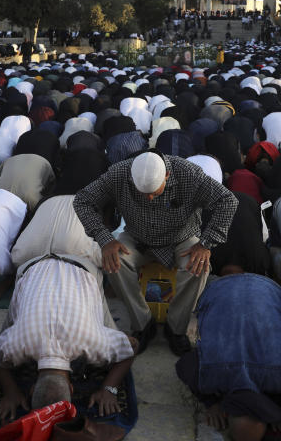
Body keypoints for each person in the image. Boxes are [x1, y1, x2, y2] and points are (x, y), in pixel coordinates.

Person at [73, 152, 238, 355]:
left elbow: (228, 201)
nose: (149, 198)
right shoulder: (118, 173)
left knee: (198, 266)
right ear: (131, 179)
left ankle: (176, 328)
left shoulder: (189, 173)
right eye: (142, 193)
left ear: (167, 175)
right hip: (137, 238)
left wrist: (205, 243)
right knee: (113, 261)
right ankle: (142, 323)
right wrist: (105, 239)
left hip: (181, 238)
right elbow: (82, 200)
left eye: (154, 192)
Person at [0, 254, 137, 423]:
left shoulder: (94, 344)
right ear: (71, 389)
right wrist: (108, 388)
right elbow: (132, 346)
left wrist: (109, 389)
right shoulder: (15, 345)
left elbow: (133, 347)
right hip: (38, 264)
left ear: (31, 391)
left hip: (79, 265)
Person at [175, 273, 281, 441]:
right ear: (224, 413)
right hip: (219, 289)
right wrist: (210, 402)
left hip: (268, 288)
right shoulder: (208, 377)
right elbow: (182, 365)